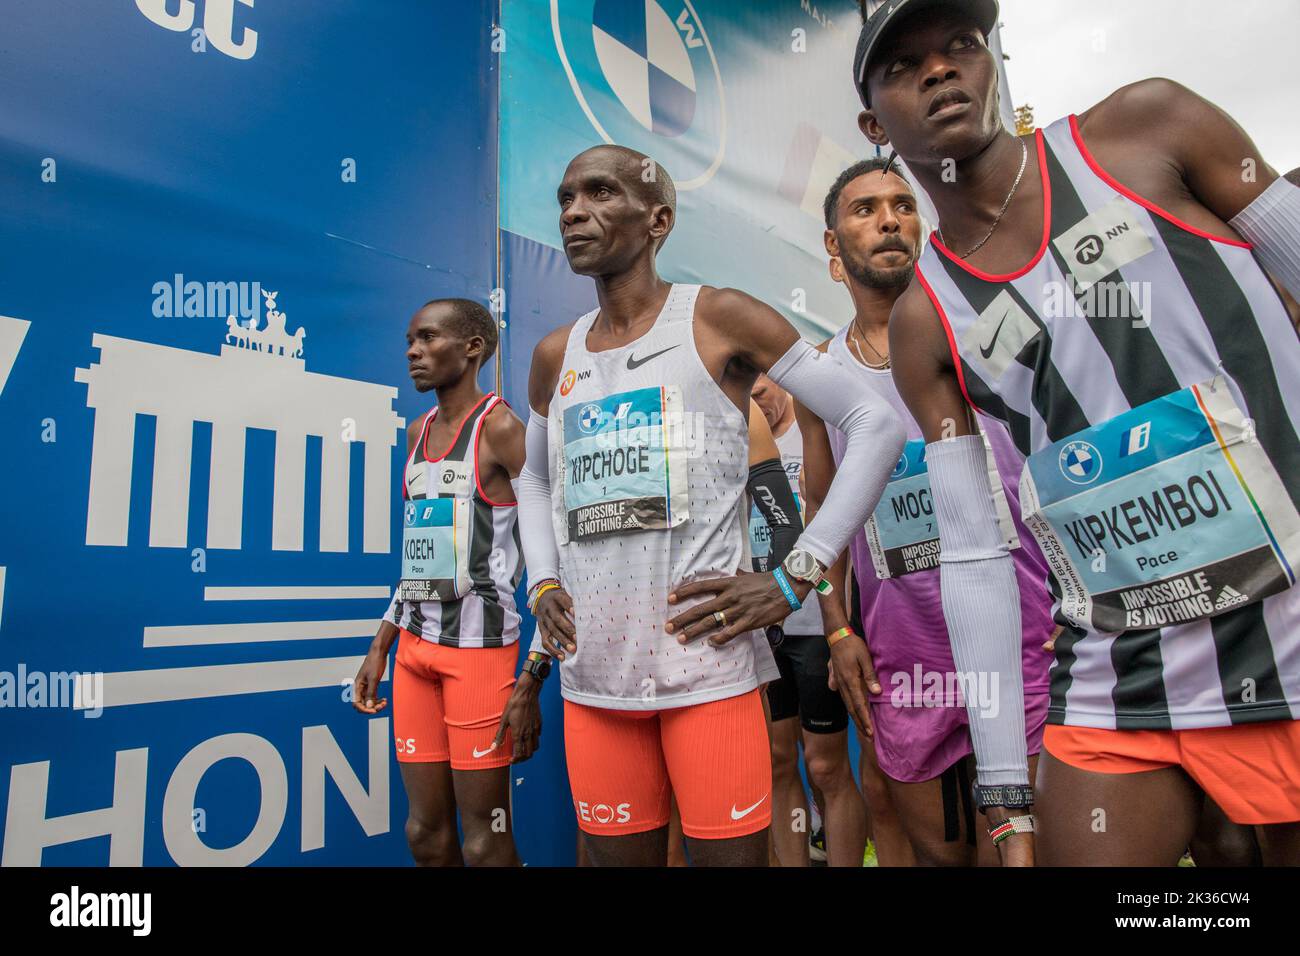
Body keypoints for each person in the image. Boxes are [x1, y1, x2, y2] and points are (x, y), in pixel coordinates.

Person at [852, 0, 1300, 864]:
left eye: (961, 47)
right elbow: (975, 558)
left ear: (993, 62)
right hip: (1119, 653)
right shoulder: (927, 318)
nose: (941, 69)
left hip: (1284, 628)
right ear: (875, 122)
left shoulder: (1146, 129)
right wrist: (1007, 795)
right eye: (905, 66)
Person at [514, 143, 906, 866]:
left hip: (709, 676)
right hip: (596, 681)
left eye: (600, 193)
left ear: (658, 218)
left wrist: (796, 576)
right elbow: (533, 480)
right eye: (566, 198)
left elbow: (874, 426)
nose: (575, 211)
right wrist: (541, 580)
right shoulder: (553, 356)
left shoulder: (719, 318)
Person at [801, 156, 1055, 864]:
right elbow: (821, 512)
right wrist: (838, 626)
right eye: (864, 209)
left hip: (1023, 637)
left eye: (902, 205)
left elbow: (1056, 459)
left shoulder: (990, 333)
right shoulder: (820, 377)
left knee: (1030, 848)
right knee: (944, 858)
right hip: (905, 659)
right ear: (832, 244)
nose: (888, 219)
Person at [353, 298, 532, 866]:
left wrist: (537, 669)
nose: (412, 351)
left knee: (486, 840)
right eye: (410, 339)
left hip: (479, 655)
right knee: (424, 834)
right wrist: (382, 644)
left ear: (472, 347)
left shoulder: (503, 429)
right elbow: (419, 557)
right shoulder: (417, 432)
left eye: (428, 338)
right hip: (413, 653)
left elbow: (554, 551)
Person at [750, 373, 866, 867]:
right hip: (762, 629)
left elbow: (848, 531)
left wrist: (845, 621)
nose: (757, 405)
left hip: (817, 627)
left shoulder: (815, 432)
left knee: (825, 765)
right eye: (747, 399)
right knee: (777, 763)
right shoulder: (738, 439)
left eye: (761, 393)